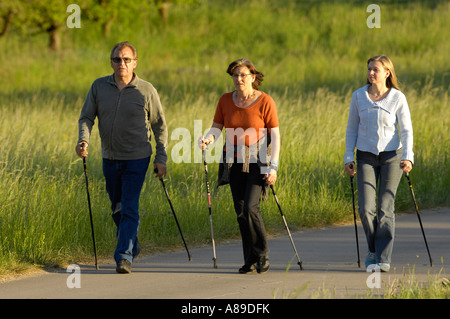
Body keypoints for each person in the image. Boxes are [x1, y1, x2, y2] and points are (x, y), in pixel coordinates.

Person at [75, 41, 168, 274]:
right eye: (117, 59)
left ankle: (124, 256)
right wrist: (83, 140)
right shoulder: (99, 86)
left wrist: (161, 157)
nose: (122, 64)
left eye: (126, 59)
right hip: (109, 156)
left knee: (129, 206)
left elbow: (160, 126)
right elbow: (86, 117)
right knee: (116, 208)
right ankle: (133, 244)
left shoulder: (146, 90)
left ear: (135, 62)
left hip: (138, 157)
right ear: (111, 62)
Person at [200, 58, 280, 274]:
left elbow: (276, 135)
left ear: (253, 77)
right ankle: (250, 258)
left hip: (259, 161)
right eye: (235, 75)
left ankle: (262, 254)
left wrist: (274, 167)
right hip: (233, 160)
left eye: (243, 75)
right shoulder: (226, 100)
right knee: (240, 212)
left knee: (250, 208)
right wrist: (208, 139)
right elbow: (217, 127)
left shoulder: (265, 101)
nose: (239, 79)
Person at [344, 55, 414, 272]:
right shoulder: (358, 96)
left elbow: (406, 130)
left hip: (392, 156)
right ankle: (373, 250)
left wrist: (408, 156)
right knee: (366, 209)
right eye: (369, 69)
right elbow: (352, 129)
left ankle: (383, 258)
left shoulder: (397, 98)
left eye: (376, 69)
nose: (371, 73)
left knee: (385, 207)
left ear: (387, 73)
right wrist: (349, 157)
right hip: (365, 156)